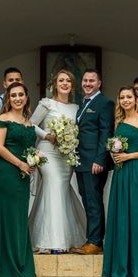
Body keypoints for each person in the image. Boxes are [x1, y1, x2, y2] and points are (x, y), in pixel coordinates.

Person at [102, 86, 138, 277]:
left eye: (129, 97)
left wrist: (128, 156)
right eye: (122, 97)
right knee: (122, 215)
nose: (126, 100)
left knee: (136, 214)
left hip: (137, 171)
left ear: (136, 100)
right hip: (121, 173)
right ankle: (121, 265)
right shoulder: (120, 121)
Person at [29, 70, 86, 253]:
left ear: (72, 85)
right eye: (61, 80)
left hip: (66, 156)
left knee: (60, 192)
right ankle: (53, 242)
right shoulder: (47, 103)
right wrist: (47, 135)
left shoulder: (76, 108)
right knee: (53, 189)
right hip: (48, 153)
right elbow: (30, 124)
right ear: (55, 84)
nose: (65, 83)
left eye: (68, 80)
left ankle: (62, 238)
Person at [0, 83, 37, 277]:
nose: (17, 98)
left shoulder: (28, 120)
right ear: (8, 98)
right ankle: (5, 267)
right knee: (7, 215)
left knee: (19, 216)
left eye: (20, 95)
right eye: (13, 95)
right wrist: (20, 164)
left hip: (24, 173)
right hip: (8, 171)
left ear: (26, 97)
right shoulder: (4, 118)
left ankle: (20, 263)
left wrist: (33, 160)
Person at [70, 69, 115, 255]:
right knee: (88, 200)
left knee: (94, 201)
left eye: (92, 81)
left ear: (99, 83)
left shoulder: (104, 103)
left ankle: (95, 242)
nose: (88, 83)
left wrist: (100, 159)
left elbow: (106, 131)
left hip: (94, 162)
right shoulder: (84, 104)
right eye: (85, 80)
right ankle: (92, 239)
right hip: (82, 161)